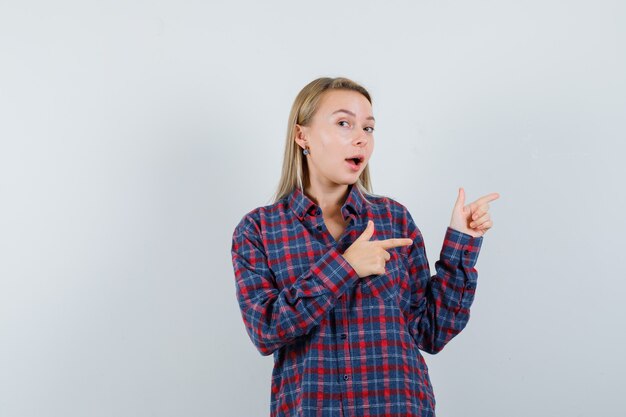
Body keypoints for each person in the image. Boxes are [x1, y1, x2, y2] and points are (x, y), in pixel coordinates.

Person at [230, 77, 499, 417]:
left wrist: (463, 242)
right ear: (303, 136)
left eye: (368, 128)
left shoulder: (394, 218)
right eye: (344, 123)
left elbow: (431, 331)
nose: (361, 138)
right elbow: (265, 330)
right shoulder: (258, 230)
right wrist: (346, 267)